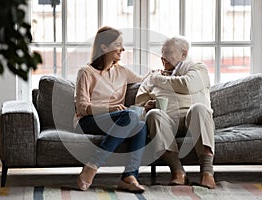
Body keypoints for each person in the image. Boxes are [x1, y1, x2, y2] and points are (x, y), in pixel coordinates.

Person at [135, 36, 216, 189]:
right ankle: (178, 172)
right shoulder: (154, 76)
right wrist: (146, 105)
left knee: (199, 108)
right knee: (153, 115)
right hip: (167, 122)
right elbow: (139, 101)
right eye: (162, 52)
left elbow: (187, 85)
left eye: (168, 53)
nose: (163, 57)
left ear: (183, 54)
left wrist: (157, 79)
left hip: (192, 119)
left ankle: (207, 173)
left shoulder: (198, 68)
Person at [74, 26, 147, 193]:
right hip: (87, 121)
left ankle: (129, 176)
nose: (123, 49)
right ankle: (92, 165)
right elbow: (82, 107)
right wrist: (110, 108)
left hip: (117, 119)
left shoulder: (122, 71)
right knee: (131, 115)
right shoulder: (86, 72)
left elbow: (146, 81)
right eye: (118, 44)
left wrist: (164, 75)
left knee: (141, 124)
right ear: (104, 47)